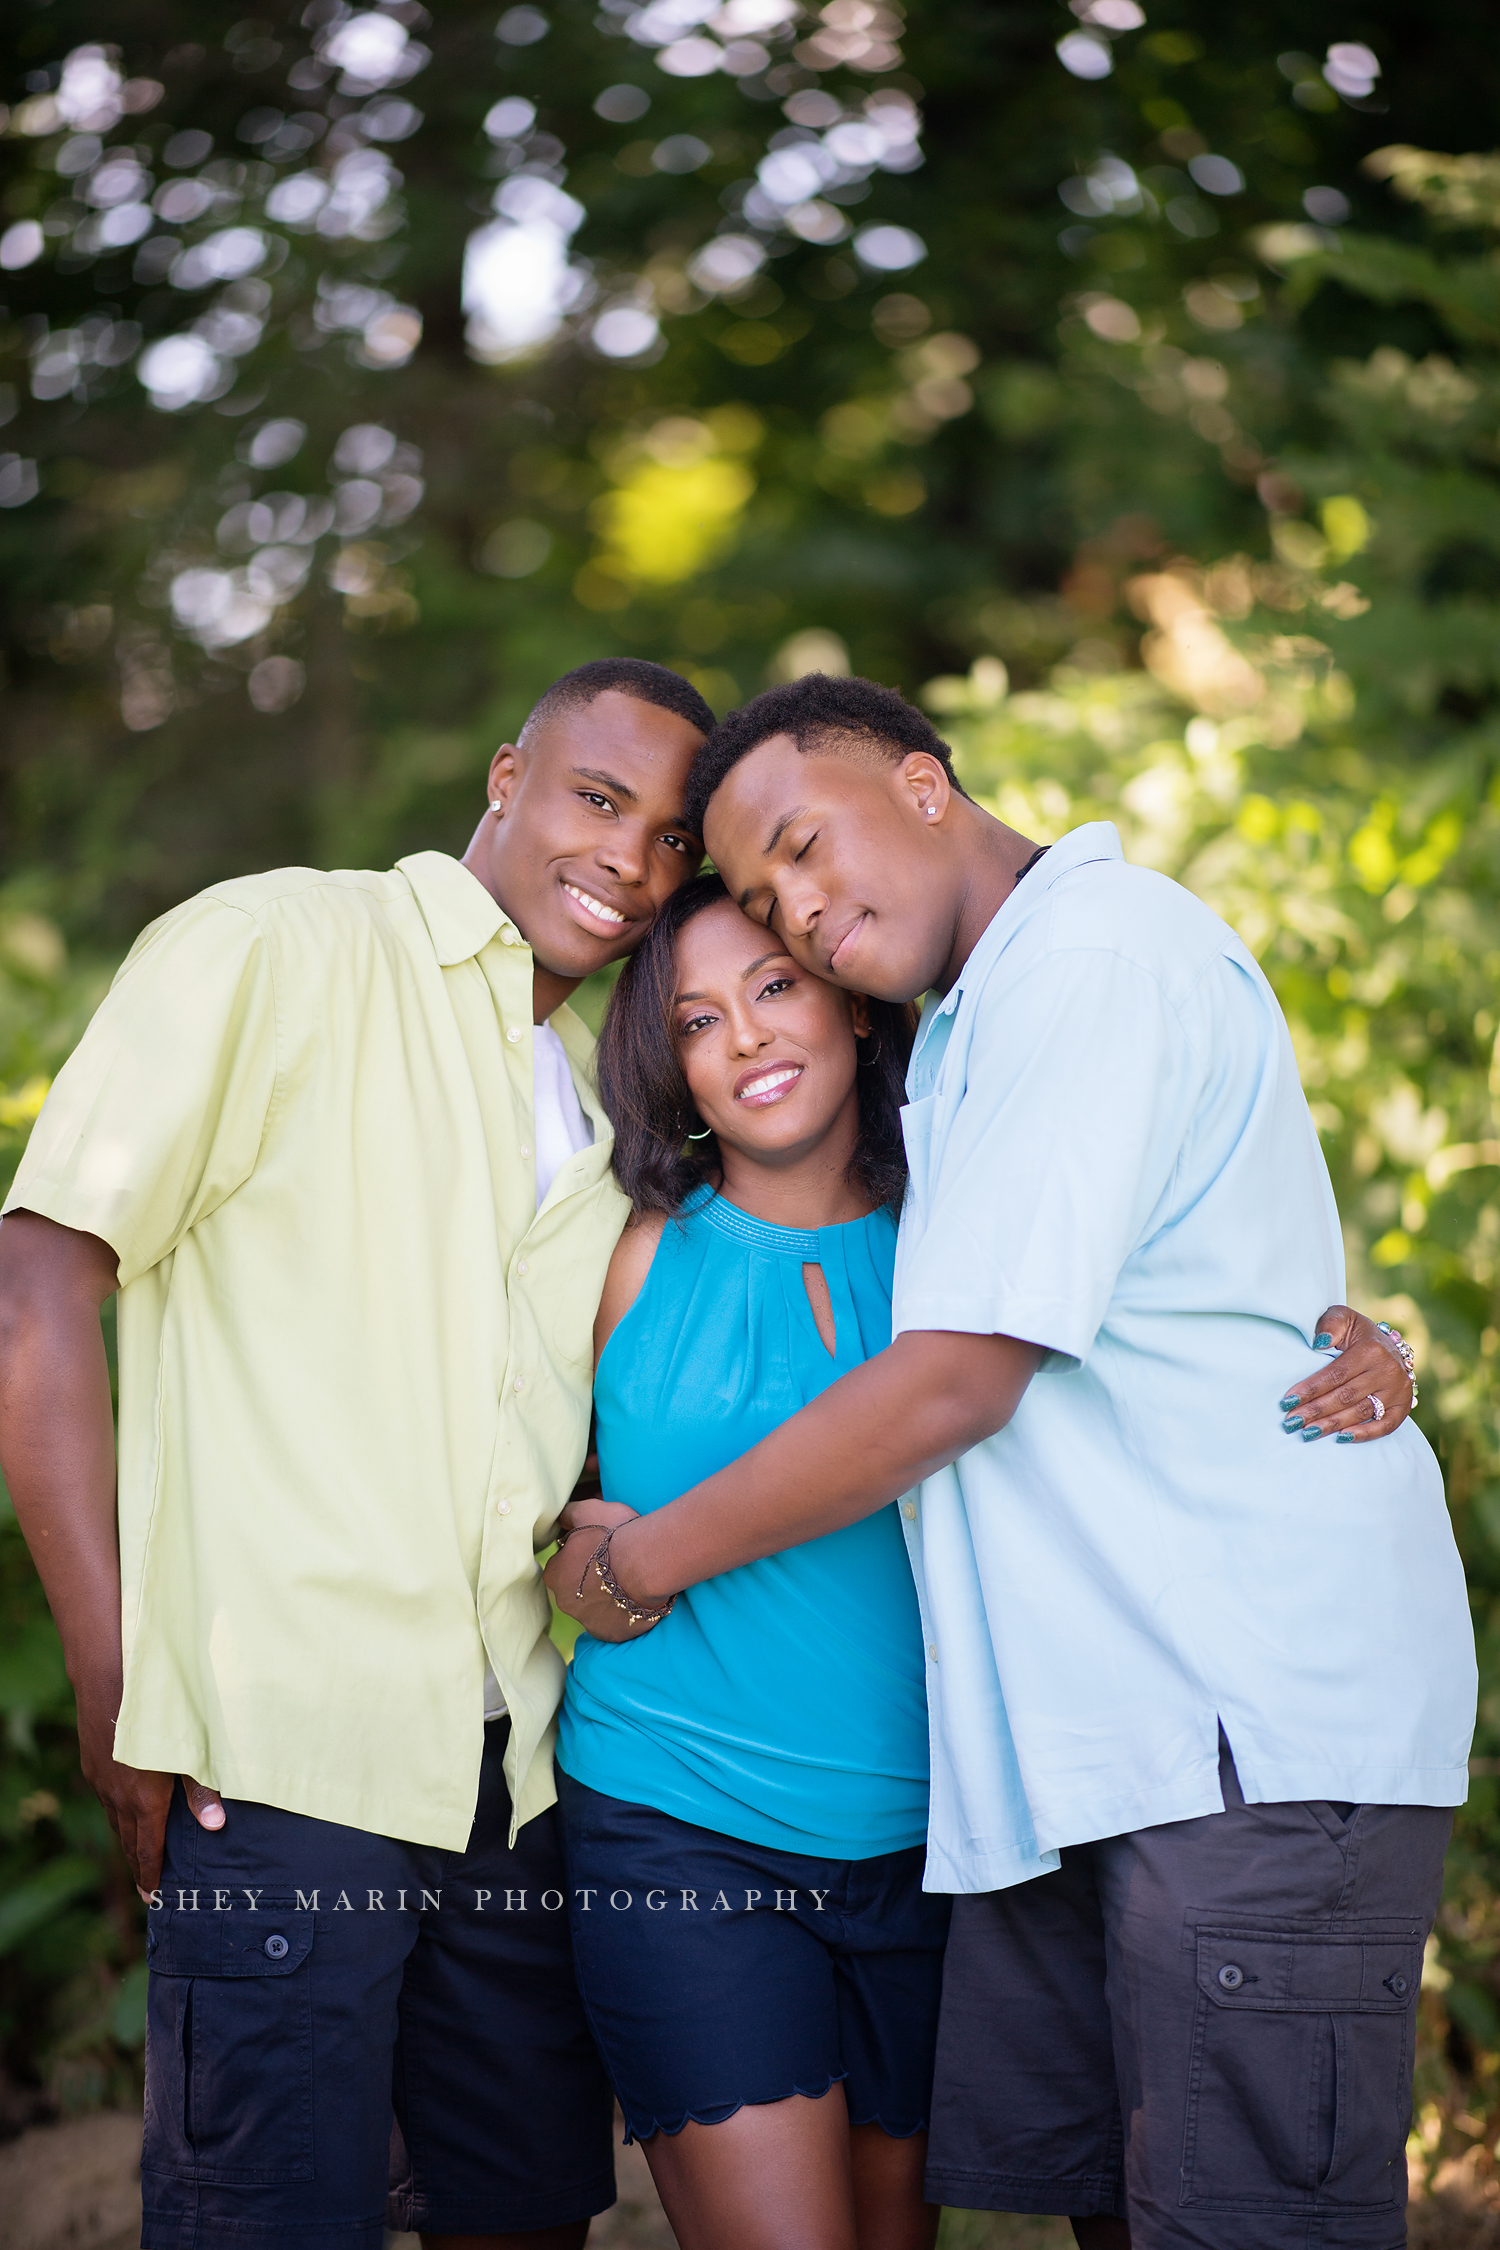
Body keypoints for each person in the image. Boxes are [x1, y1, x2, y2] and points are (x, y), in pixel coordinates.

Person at [548, 673, 1477, 2250]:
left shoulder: (1093, 967)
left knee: (1246, 2220)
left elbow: (957, 1379)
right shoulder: (978, 1025)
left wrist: (634, 1563)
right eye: (770, 902)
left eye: (804, 851)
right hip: (1098, 1759)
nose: (807, 914)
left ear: (923, 782)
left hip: (1236, 1726)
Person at [0, 659, 711, 2250]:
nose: (630, 859)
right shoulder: (277, 946)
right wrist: (117, 1678)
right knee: (270, 2216)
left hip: (513, 1777)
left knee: (518, 2213)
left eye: (673, 839)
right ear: (506, 773)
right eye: (600, 798)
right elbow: (36, 1285)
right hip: (283, 1753)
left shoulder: (607, 1098)